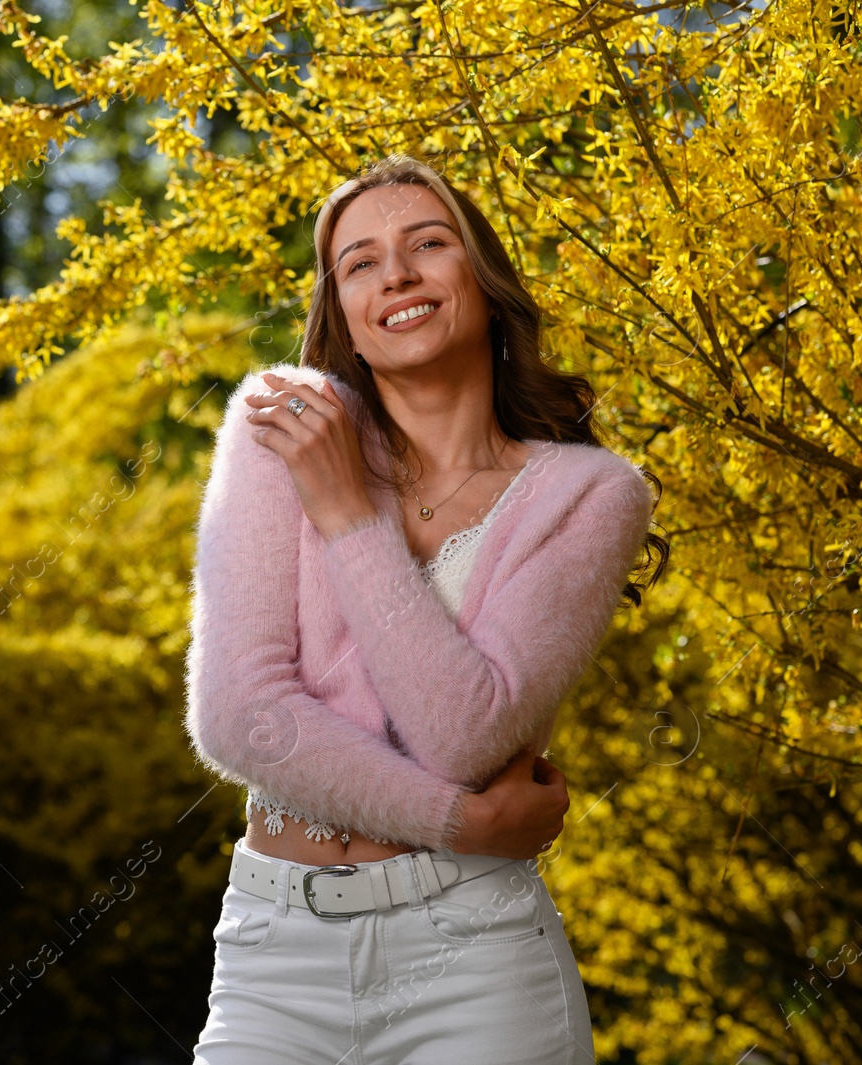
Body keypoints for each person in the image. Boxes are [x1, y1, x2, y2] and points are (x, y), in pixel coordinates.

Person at [183, 153, 669, 1063]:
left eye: (428, 244)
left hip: (474, 956)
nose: (395, 274)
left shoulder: (591, 494)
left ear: (483, 283)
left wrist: (346, 516)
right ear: (345, 319)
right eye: (359, 262)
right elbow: (241, 718)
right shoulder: (281, 424)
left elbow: (466, 736)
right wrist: (462, 821)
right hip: (272, 955)